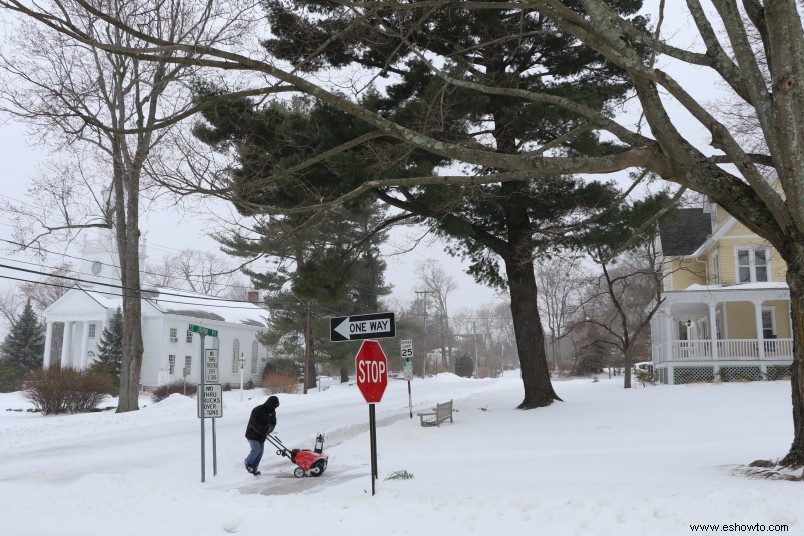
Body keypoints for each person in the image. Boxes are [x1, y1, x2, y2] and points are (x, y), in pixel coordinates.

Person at [244, 395, 279, 476]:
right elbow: (253, 423)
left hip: (262, 435)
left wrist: (270, 428)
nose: (274, 408)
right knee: (256, 450)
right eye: (274, 405)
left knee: (260, 453)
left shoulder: (272, 411)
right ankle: (248, 462)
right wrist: (262, 430)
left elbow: (273, 422)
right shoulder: (257, 410)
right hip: (252, 434)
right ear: (269, 403)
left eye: (276, 406)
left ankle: (254, 469)